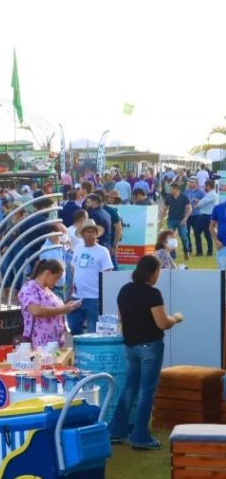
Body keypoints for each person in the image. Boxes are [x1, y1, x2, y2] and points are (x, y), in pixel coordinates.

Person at [109, 255, 184, 451]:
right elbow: (162, 323)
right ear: (153, 273)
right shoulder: (153, 294)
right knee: (146, 390)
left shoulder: (125, 290)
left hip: (131, 345)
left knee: (130, 387)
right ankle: (140, 434)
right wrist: (175, 318)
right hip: (150, 346)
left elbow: (121, 318)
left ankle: (116, 429)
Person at [17, 260, 80, 348]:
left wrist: (67, 306)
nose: (56, 282)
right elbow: (36, 311)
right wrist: (64, 309)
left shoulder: (47, 290)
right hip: (39, 345)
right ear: (48, 273)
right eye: (56, 278)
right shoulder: (29, 288)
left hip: (53, 344)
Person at [67, 218, 114, 335]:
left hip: (94, 297)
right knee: (73, 328)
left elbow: (108, 272)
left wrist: (105, 296)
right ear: (82, 234)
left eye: (92, 231)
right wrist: (69, 292)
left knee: (93, 331)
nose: (90, 234)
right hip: (77, 296)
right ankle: (78, 352)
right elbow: (73, 269)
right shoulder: (78, 248)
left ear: (96, 233)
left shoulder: (102, 251)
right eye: (87, 231)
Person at [160, 183, 192, 260]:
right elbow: (164, 209)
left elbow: (189, 208)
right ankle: (173, 256)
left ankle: (186, 251)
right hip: (171, 220)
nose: (170, 190)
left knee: (184, 237)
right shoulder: (168, 197)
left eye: (171, 188)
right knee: (170, 238)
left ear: (177, 189)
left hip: (181, 220)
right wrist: (161, 220)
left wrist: (185, 218)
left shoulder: (184, 197)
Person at [192, 180, 219, 257]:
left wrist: (197, 205)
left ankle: (200, 251)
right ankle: (209, 252)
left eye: (205, 186)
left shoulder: (212, 194)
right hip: (207, 216)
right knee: (207, 234)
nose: (204, 187)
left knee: (197, 232)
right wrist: (198, 201)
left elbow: (202, 203)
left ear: (208, 186)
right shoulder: (210, 194)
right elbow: (204, 201)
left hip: (206, 216)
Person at [211, 194, 226, 270]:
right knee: (222, 277)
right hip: (223, 248)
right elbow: (211, 227)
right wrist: (216, 240)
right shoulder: (218, 208)